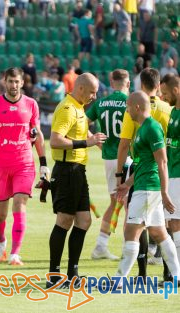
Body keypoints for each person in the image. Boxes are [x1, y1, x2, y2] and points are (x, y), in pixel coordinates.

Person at [0, 67, 49, 265]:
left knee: (20, 204)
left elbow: (38, 134)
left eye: (17, 82)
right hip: (0, 166)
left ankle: (15, 253)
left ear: (22, 83)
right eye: (10, 81)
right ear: (5, 82)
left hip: (24, 164)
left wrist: (43, 164)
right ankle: (1, 241)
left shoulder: (31, 104)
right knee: (0, 215)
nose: (14, 85)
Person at [47, 73, 107, 288]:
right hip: (66, 171)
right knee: (64, 220)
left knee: (84, 221)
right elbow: (55, 141)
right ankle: (54, 276)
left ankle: (72, 274)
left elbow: (81, 130)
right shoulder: (67, 108)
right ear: (80, 88)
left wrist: (98, 142)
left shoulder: (78, 107)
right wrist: (87, 142)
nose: (94, 96)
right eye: (92, 91)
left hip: (77, 171)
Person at [115, 91, 180, 285]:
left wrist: (164, 192)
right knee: (159, 232)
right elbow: (144, 163)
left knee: (131, 232)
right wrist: (126, 184)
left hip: (148, 190)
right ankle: (177, 276)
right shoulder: (141, 128)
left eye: (127, 107)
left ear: (136, 107)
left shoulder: (152, 127)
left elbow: (162, 161)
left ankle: (119, 280)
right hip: (143, 186)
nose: (126, 111)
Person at [85, 69, 130, 260]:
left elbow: (82, 124)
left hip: (109, 158)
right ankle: (132, 249)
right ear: (127, 84)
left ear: (112, 84)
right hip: (126, 158)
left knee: (115, 202)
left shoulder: (101, 102)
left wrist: (96, 142)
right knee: (130, 205)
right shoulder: (131, 103)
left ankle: (101, 246)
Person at [160, 74, 180, 269]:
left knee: (175, 221)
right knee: (172, 221)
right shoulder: (173, 112)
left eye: (165, 93)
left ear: (176, 90)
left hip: (178, 174)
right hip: (172, 173)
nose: (163, 97)